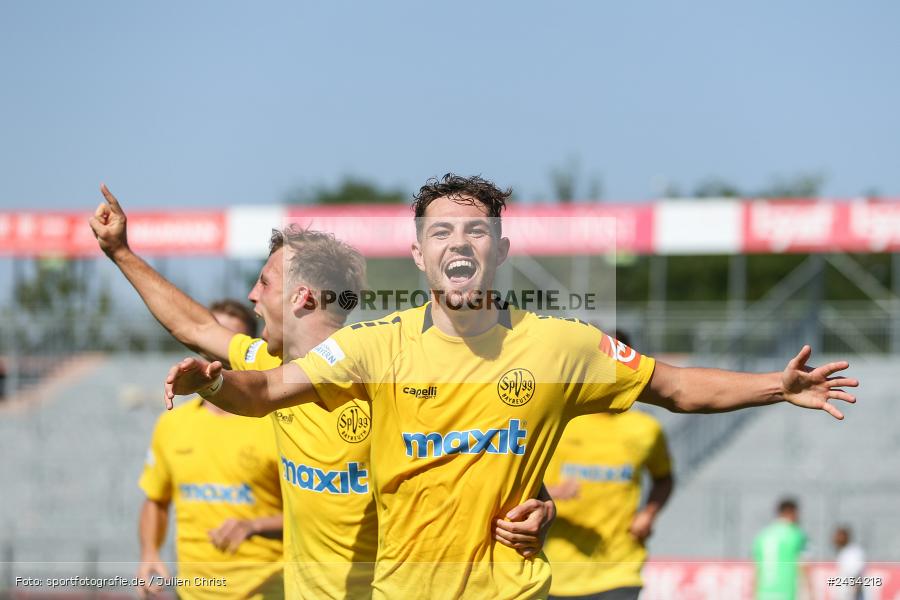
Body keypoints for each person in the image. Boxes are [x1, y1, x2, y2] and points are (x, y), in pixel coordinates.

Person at [163, 173, 858, 599]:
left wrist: (775, 385)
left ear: (500, 249)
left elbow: (675, 387)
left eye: (476, 230)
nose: (459, 242)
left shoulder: (562, 345)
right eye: (441, 232)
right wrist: (214, 384)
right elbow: (263, 394)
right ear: (418, 253)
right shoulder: (372, 346)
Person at [90, 184, 554, 599]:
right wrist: (121, 253)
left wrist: (541, 506)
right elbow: (195, 325)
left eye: (265, 282)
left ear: (302, 298)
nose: (252, 295)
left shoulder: (387, 374)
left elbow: (486, 463)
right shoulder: (270, 365)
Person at [138, 300, 284, 599]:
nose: (215, 354)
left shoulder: (276, 423)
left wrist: (254, 526)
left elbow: (309, 512)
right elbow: (156, 500)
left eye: (227, 344)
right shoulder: (173, 424)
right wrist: (150, 552)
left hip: (266, 590)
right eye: (210, 343)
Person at [543, 331, 674, 600]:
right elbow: (512, 478)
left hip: (619, 570)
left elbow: (665, 478)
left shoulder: (646, 429)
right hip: (557, 571)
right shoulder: (558, 420)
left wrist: (648, 514)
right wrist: (551, 493)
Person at [752, 498, 811, 600]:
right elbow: (804, 566)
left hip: (763, 594)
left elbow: (756, 569)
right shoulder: (797, 534)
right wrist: (811, 593)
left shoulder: (762, 536)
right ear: (792, 512)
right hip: (787, 594)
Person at [833, 526, 866, 600]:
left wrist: (853, 596)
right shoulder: (843, 553)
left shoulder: (852, 553)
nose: (835, 539)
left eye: (838, 536)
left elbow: (856, 577)